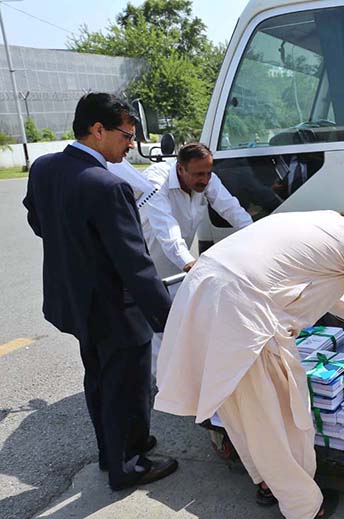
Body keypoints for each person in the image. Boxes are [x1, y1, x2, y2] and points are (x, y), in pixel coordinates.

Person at [154, 208, 344, 519]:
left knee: (242, 407)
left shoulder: (313, 225)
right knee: (279, 414)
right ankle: (305, 507)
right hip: (241, 310)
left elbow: (334, 298)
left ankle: (269, 482)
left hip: (202, 290)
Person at [22, 92, 179, 490]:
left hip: (72, 301)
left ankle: (114, 450)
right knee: (129, 384)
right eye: (127, 134)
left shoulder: (43, 167)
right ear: (97, 130)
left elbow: (38, 221)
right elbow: (136, 266)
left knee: (99, 377)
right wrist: (169, 319)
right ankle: (128, 464)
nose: (131, 143)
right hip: (113, 307)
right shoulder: (107, 186)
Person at [139, 142, 253, 277]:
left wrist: (256, 236)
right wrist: (189, 263)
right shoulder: (156, 181)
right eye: (198, 174)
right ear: (180, 169)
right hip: (147, 267)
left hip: (179, 267)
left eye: (208, 173)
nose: (205, 180)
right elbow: (166, 227)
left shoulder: (207, 178)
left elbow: (232, 209)